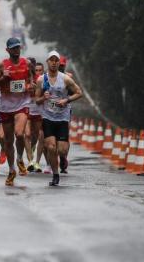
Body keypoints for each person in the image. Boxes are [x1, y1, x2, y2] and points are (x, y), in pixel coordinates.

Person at [0, 37, 34, 186]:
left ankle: (20, 158)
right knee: (8, 142)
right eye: (13, 48)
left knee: (19, 134)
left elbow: (31, 79)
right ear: (7, 50)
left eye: (18, 48)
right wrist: (3, 78)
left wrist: (31, 86)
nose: (16, 50)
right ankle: (11, 170)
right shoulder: (1, 65)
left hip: (22, 104)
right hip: (6, 107)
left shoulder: (26, 63)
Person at [35, 50, 82, 186]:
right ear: (47, 62)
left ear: (58, 63)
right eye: (52, 60)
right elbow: (36, 100)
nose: (54, 63)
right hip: (48, 117)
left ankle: (62, 158)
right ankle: (55, 175)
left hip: (62, 118)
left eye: (56, 60)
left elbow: (79, 93)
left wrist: (66, 100)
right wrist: (43, 97)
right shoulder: (41, 80)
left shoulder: (65, 79)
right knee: (50, 147)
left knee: (61, 149)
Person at [25, 58, 43, 172]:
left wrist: (36, 87)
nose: (29, 67)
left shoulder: (40, 79)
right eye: (28, 65)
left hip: (37, 110)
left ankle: (32, 150)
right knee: (26, 134)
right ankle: (31, 162)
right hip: (25, 109)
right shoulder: (23, 78)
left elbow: (44, 91)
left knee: (36, 135)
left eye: (31, 65)